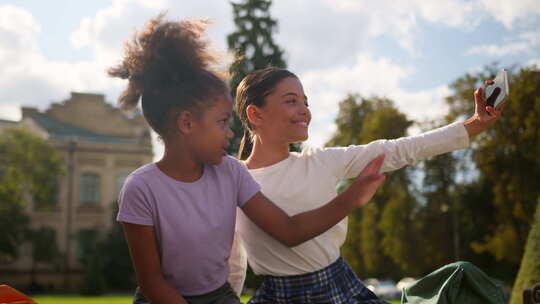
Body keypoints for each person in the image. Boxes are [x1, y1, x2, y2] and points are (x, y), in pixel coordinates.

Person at [111, 15, 387, 304]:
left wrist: (351, 198)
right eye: (221, 122)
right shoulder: (140, 188)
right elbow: (151, 281)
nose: (231, 134)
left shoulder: (231, 172)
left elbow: (289, 232)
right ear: (187, 123)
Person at [229, 67, 503, 303]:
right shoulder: (233, 178)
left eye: (306, 102)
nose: (305, 111)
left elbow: (399, 150)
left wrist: (475, 124)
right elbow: (232, 257)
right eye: (291, 101)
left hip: (339, 289)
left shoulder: (322, 161)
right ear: (256, 114)